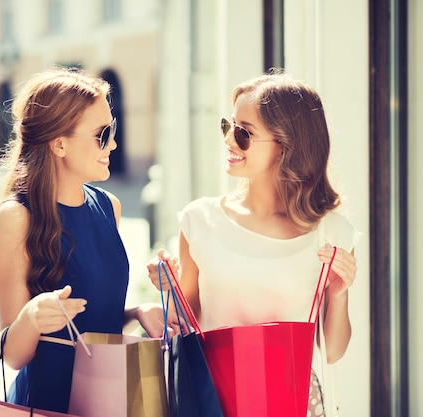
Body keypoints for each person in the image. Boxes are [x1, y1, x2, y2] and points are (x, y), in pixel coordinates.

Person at [147, 69, 361, 417]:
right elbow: (185, 324)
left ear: (287, 146)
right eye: (228, 127)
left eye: (244, 133)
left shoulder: (332, 233)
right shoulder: (200, 220)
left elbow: (333, 351)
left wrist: (339, 294)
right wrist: (167, 286)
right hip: (211, 400)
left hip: (291, 404)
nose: (230, 140)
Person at [0, 67, 164, 414]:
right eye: (101, 134)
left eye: (112, 131)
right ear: (59, 143)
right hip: (49, 402)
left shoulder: (109, 207)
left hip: (109, 397)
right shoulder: (16, 218)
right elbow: (12, 355)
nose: (112, 144)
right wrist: (33, 316)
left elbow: (93, 317)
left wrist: (136, 313)